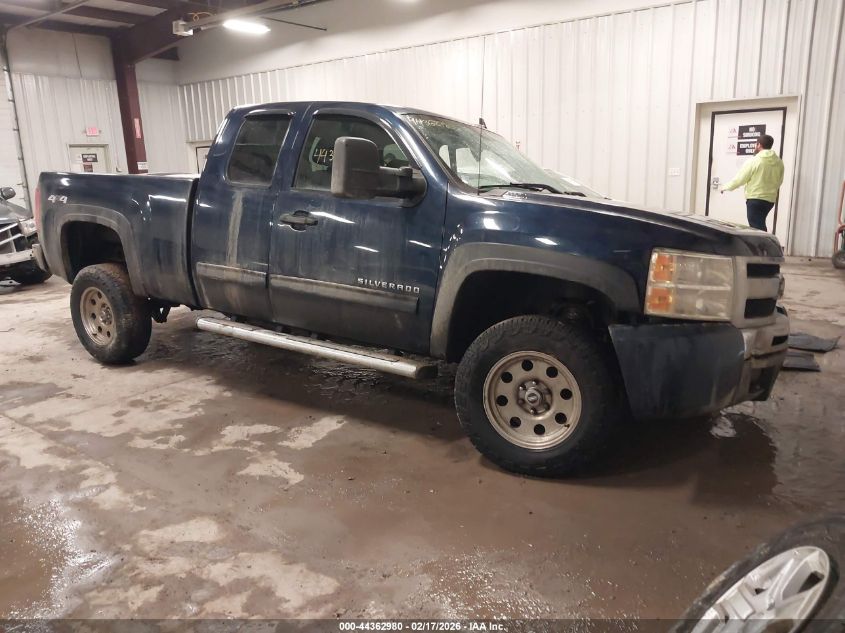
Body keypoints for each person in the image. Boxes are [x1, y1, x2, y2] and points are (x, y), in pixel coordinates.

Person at [720, 134, 785, 231]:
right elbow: (779, 181)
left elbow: (740, 179)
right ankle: (762, 245)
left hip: (755, 199)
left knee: (757, 228)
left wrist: (725, 187)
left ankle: (763, 246)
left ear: (759, 145)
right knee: (759, 224)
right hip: (770, 200)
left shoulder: (754, 161)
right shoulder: (779, 162)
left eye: (756, 144)